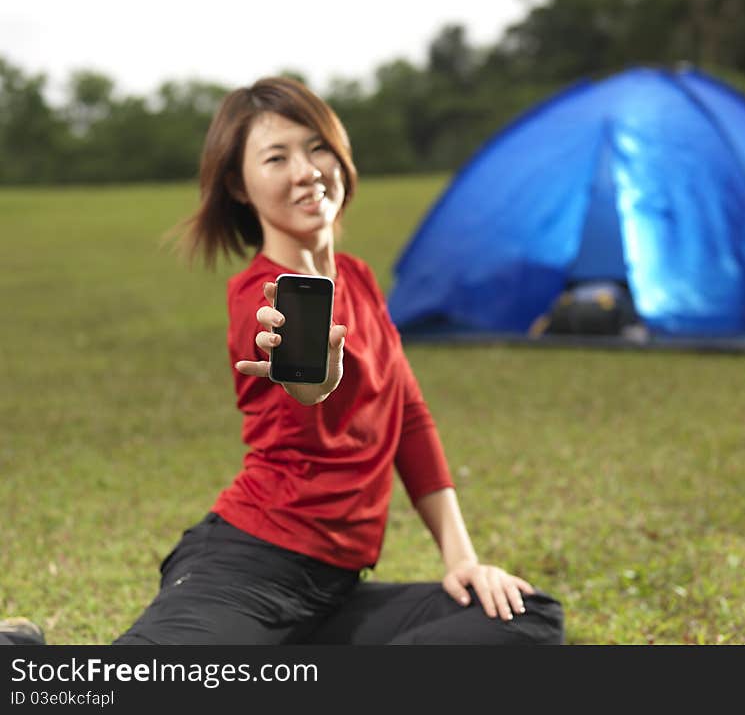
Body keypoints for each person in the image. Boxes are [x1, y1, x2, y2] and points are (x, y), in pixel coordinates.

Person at [104, 76, 562, 645]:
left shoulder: (361, 280)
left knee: (527, 616)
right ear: (239, 186)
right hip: (249, 568)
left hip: (333, 590)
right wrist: (315, 381)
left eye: (316, 146)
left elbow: (410, 419)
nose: (307, 171)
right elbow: (301, 385)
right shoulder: (261, 300)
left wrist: (462, 561)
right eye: (276, 157)